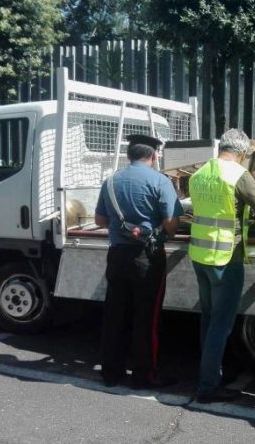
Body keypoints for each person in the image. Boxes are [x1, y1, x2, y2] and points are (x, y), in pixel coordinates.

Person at [188, 128, 255, 403]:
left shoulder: (199, 173)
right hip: (225, 258)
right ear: (244, 153)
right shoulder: (237, 175)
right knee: (221, 324)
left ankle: (209, 374)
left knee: (209, 320)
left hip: (199, 254)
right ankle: (208, 387)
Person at [94, 134, 182, 389]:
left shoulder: (110, 181)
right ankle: (144, 375)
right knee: (146, 317)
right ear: (154, 156)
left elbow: (100, 220)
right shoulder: (160, 181)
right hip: (147, 257)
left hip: (117, 255)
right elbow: (170, 224)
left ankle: (111, 372)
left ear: (129, 155)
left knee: (115, 313)